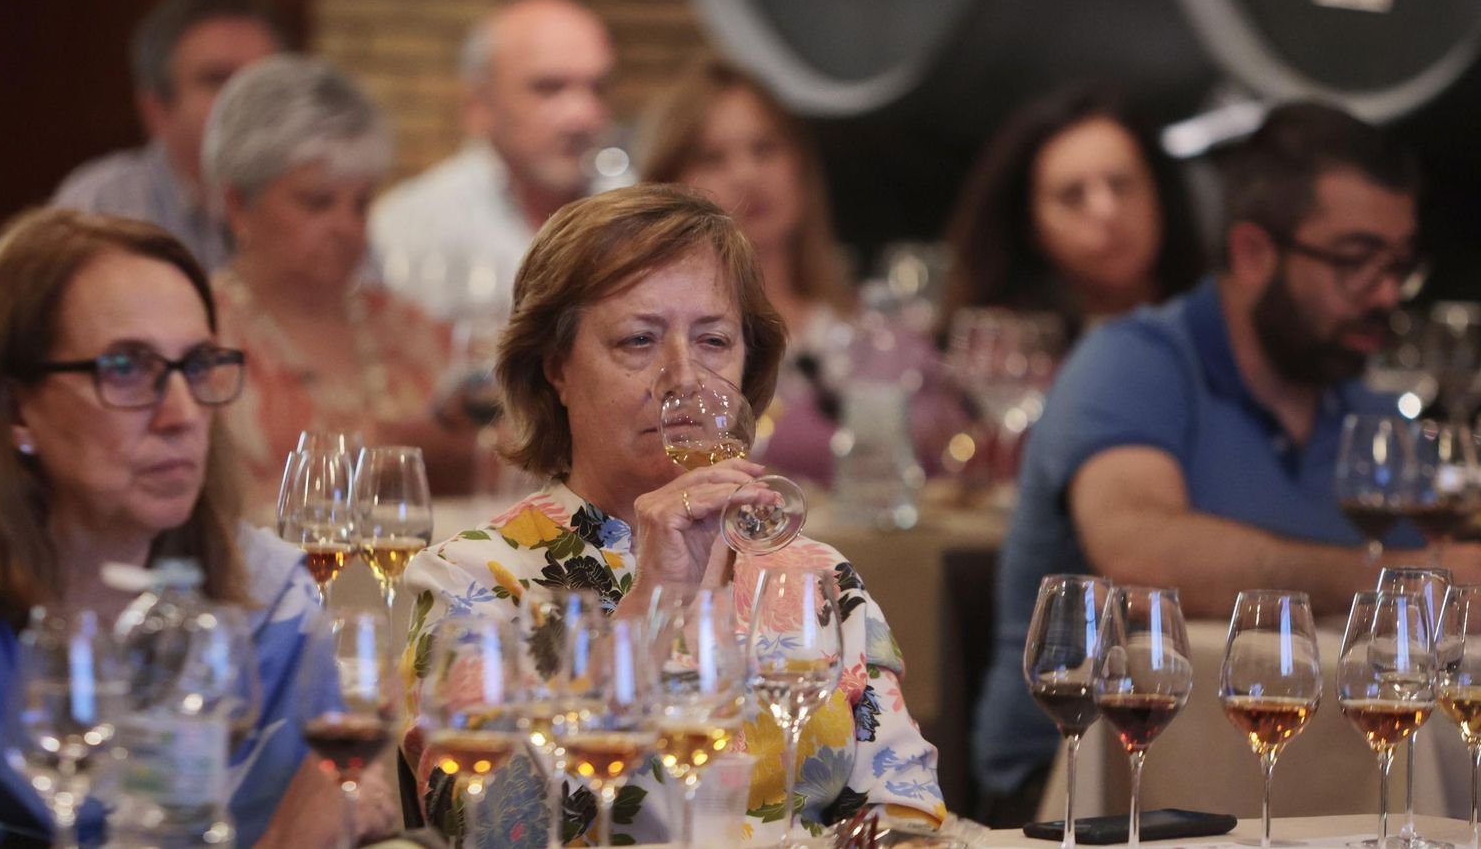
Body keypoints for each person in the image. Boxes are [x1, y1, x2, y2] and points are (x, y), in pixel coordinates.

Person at [400, 184, 948, 846]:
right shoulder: (474, 578)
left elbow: (911, 812)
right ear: (557, 371)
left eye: (714, 340)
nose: (684, 376)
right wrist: (651, 609)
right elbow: (486, 828)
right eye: (638, 340)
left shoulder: (815, 578)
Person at [972, 101, 1471, 824]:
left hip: (1314, 784)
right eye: (1354, 260)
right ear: (1251, 253)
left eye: (1398, 265)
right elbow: (1140, 550)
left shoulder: (1362, 414)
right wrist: (1389, 581)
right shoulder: (1137, 363)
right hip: (1082, 791)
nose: (1386, 294)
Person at [0, 208, 399, 845]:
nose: (181, 414)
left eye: (198, 365)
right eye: (126, 368)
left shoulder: (270, 610)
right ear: (14, 406)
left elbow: (345, 798)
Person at [641, 56, 956, 485]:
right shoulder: (657, 348)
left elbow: (947, 466)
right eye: (713, 158)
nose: (748, 175)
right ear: (666, 187)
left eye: (765, 149)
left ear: (801, 166)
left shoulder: (882, 336)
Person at [202, 54, 478, 517]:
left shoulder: (403, 325)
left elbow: (498, 459)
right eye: (317, 202)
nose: (345, 226)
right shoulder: (203, 335)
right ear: (238, 205)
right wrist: (375, 453)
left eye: (360, 203)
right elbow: (210, 511)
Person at [369, 0, 616, 322]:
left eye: (597, 88)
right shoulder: (409, 230)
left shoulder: (639, 214)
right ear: (479, 105)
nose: (583, 115)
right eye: (549, 88)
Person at [52, 0, 284, 272]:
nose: (245, 100)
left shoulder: (321, 200)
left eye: (262, 80)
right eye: (217, 79)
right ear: (156, 110)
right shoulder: (100, 206)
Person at [939, 85, 1205, 338]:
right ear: (1029, 225)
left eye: (1121, 184)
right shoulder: (1003, 358)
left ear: (1160, 192)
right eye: (1072, 196)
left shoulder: (1225, 322)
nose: (1106, 211)